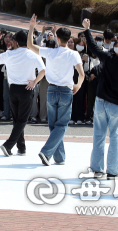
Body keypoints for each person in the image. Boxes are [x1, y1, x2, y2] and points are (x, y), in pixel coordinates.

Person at [82, 19, 118, 179]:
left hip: (101, 101)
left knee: (98, 135)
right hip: (117, 105)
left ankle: (97, 169)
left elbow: (92, 46)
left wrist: (87, 29)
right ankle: (112, 171)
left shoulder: (108, 58)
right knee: (115, 138)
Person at [27, 15, 84, 166]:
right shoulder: (74, 54)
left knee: (54, 125)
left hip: (51, 90)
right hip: (66, 91)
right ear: (68, 38)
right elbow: (82, 73)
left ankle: (59, 157)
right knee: (61, 125)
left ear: (57, 38)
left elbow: (30, 46)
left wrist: (32, 27)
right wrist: (78, 84)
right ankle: (47, 152)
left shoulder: (50, 52)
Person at [0, 30, 45, 157]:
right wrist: (34, 82)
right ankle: (8, 144)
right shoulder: (33, 54)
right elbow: (43, 70)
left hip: (13, 89)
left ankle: (21, 147)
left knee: (17, 119)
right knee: (21, 120)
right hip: (26, 89)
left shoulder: (9, 54)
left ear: (15, 41)